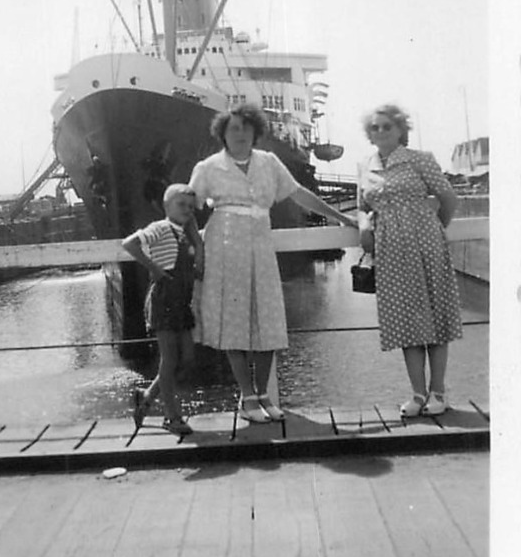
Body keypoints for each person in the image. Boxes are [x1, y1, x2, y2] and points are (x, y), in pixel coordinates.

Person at [189, 103, 356, 423]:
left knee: (267, 319)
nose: (240, 134)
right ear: (222, 134)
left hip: (260, 244)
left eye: (245, 128)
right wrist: (184, 240)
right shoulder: (207, 167)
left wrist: (340, 218)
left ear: (256, 132)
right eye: (233, 129)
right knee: (233, 322)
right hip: (224, 245)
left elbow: (299, 194)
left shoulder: (269, 163)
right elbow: (185, 204)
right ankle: (247, 396)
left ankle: (264, 393)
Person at [357, 104, 462, 417]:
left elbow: (448, 198)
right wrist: (364, 225)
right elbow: (362, 204)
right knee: (405, 321)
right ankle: (417, 394)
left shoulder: (420, 159)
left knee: (436, 316)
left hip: (426, 245)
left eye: (386, 126)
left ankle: (438, 392)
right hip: (389, 251)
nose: (380, 132)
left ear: (401, 130)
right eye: (374, 127)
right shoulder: (365, 164)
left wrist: (433, 230)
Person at [121, 184, 204, 437]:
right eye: (181, 205)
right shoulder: (159, 229)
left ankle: (146, 398)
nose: (187, 210)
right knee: (169, 360)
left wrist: (196, 240)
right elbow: (130, 244)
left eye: (191, 207)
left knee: (187, 358)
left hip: (181, 301)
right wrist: (154, 268)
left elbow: (197, 250)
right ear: (166, 206)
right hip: (164, 300)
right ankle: (171, 416)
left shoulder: (185, 234)